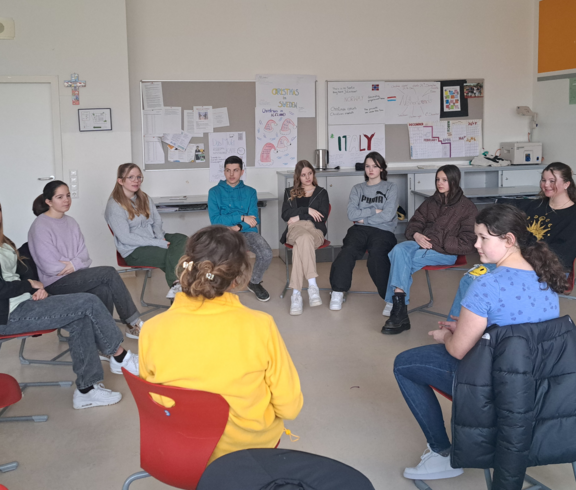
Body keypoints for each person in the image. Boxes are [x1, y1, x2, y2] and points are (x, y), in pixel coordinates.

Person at [393, 204, 567, 481]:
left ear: (509, 239)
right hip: (539, 385)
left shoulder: (487, 283)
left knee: (404, 364)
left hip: (494, 386)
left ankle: (441, 453)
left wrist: (446, 335)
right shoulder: (544, 277)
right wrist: (467, 327)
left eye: (483, 238)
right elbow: (518, 334)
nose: (476, 245)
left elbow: (458, 350)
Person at [139, 225, 303, 463]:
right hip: (249, 450)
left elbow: (156, 401)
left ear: (187, 265)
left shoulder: (151, 329)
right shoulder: (260, 325)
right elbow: (290, 407)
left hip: (184, 449)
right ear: (238, 276)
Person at [0, 202, 139, 409]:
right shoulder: (38, 227)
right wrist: (29, 285)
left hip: (25, 301)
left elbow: (20, 268)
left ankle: (87, 390)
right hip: (9, 314)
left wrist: (33, 288)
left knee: (80, 319)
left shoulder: (4, 241)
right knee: (88, 302)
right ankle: (120, 356)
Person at [447, 161, 576, 319]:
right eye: (543, 180)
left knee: (472, 280)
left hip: (545, 267)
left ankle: (462, 327)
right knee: (470, 278)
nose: (546, 185)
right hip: (516, 261)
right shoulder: (534, 205)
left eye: (552, 181)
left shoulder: (573, 215)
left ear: (567, 184)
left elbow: (562, 256)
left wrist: (521, 257)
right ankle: (460, 325)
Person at [28, 180, 145, 339]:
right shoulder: (40, 226)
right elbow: (49, 267)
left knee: (103, 289)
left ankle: (104, 336)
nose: (66, 200)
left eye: (68, 195)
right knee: (109, 273)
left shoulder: (71, 222)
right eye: (60, 197)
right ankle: (133, 323)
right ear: (48, 201)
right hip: (54, 282)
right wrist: (75, 264)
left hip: (74, 276)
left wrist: (73, 264)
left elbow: (84, 256)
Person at [382, 165, 477, 335]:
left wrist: (444, 242)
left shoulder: (467, 207)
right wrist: (416, 234)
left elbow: (469, 241)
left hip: (445, 251)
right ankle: (399, 310)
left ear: (454, 181)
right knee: (398, 250)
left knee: (401, 261)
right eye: (438, 179)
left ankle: (398, 310)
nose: (440, 183)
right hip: (421, 242)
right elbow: (415, 222)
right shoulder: (431, 202)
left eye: (444, 180)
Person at [105, 163, 188, 297]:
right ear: (120, 181)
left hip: (154, 239)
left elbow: (157, 221)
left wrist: (160, 238)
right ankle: (179, 288)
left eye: (139, 177)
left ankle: (178, 287)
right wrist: (158, 243)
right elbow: (126, 238)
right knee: (178, 257)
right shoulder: (115, 205)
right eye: (131, 177)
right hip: (134, 250)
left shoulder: (144, 197)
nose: (136, 181)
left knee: (183, 239)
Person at [329, 152, 398, 311]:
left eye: (375, 166)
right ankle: (338, 291)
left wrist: (364, 218)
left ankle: (390, 298)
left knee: (377, 257)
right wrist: (375, 211)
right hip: (359, 230)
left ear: (382, 168)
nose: (371, 170)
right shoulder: (357, 189)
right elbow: (352, 215)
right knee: (347, 252)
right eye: (367, 166)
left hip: (383, 231)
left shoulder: (390, 187)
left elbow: (388, 215)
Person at [208, 155, 273, 302]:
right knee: (221, 255)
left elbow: (254, 219)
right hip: (223, 233)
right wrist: (242, 217)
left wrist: (238, 226)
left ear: (242, 172)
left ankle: (254, 282)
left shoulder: (250, 192)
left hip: (247, 232)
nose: (232, 174)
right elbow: (216, 220)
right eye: (228, 170)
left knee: (266, 253)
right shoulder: (214, 192)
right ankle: (219, 285)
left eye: (235, 170)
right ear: (224, 172)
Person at [280, 160, 330, 315]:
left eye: (310, 173)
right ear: (298, 176)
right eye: (303, 175)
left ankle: (296, 294)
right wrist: (307, 210)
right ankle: (312, 286)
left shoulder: (321, 192)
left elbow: (322, 216)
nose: (307, 177)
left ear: (313, 174)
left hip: (315, 230)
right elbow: (286, 215)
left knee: (301, 243)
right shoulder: (289, 192)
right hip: (295, 229)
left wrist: (299, 216)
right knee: (303, 238)